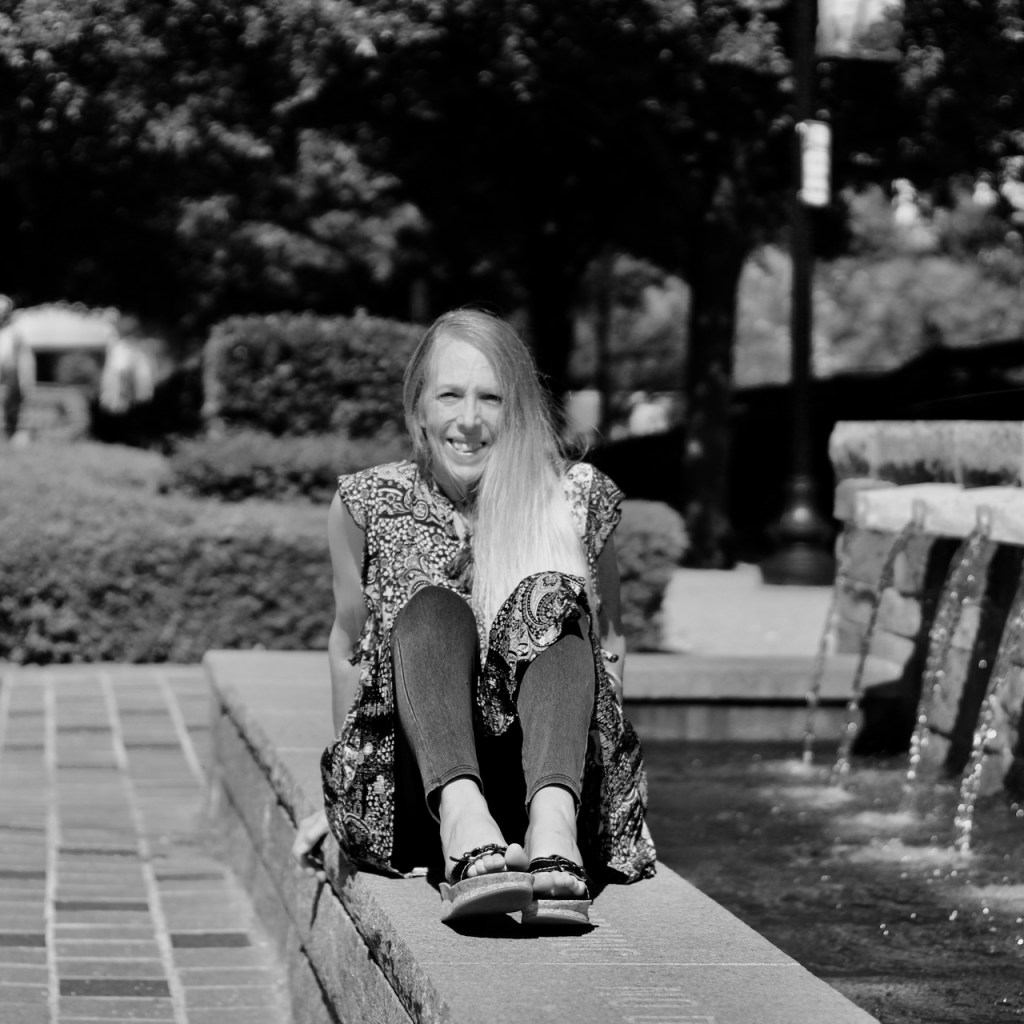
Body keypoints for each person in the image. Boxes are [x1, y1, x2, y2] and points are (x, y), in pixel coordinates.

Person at [292, 308, 655, 927]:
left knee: (551, 600)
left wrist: (613, 791)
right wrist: (343, 797)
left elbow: (609, 642)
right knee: (432, 608)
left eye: (491, 397)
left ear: (518, 409)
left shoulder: (576, 497)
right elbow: (349, 646)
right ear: (419, 408)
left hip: (549, 786)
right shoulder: (367, 501)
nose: (468, 419)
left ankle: (554, 830)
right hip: (421, 799)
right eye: (450, 395)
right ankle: (465, 821)